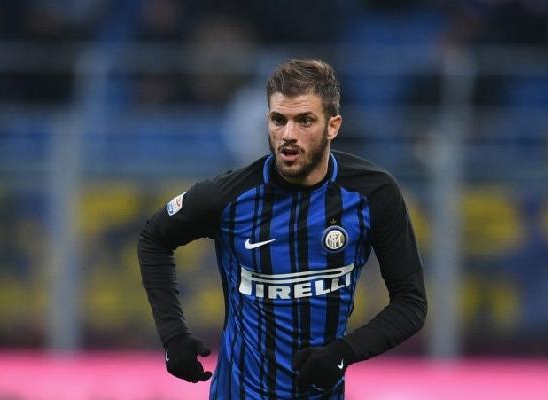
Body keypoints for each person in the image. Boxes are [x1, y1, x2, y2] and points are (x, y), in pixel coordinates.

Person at [138, 58, 427, 399]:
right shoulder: (229, 196)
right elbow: (153, 238)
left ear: (333, 126)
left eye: (305, 120)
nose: (288, 135)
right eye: (279, 120)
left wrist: (344, 352)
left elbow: (411, 303)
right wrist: (173, 336)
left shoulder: (373, 193)